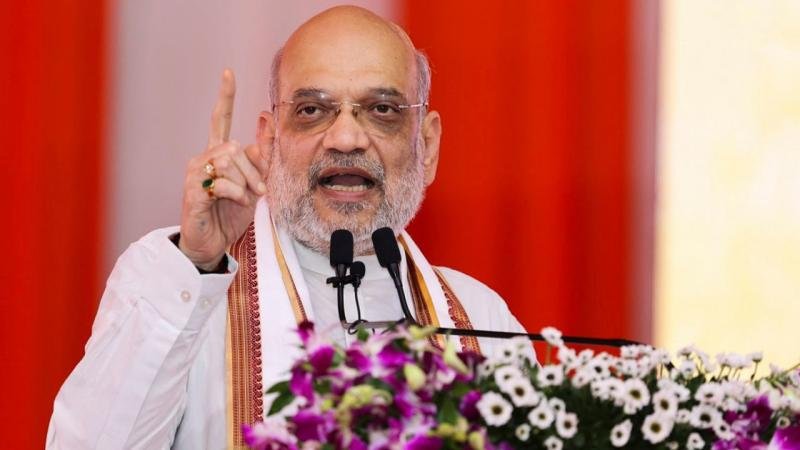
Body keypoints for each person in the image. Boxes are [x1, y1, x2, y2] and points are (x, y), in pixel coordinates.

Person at [47, 6, 531, 449]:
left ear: (427, 146)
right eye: (312, 111)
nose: (346, 138)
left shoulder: (480, 318)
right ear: (269, 139)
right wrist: (197, 262)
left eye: (381, 110)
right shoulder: (178, 285)